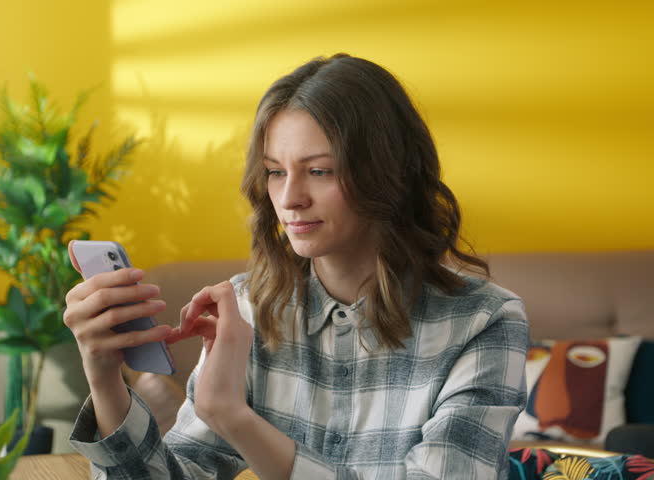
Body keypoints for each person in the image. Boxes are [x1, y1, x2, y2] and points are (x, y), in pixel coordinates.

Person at [64, 53, 528, 479]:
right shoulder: (248, 310)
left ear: (390, 172)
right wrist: (105, 381)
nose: (290, 199)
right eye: (276, 171)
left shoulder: (484, 322)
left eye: (320, 171)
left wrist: (234, 419)